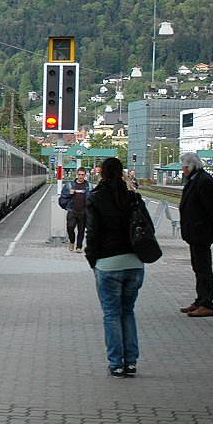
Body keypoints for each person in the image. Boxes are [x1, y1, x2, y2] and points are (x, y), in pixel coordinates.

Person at [84, 157, 144, 378]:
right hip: (135, 264)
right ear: (122, 174)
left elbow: (92, 233)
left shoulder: (96, 198)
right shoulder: (133, 197)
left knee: (111, 315)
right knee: (127, 312)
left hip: (108, 265)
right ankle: (131, 363)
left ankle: (116, 364)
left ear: (102, 174)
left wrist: (92, 260)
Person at [178, 152, 213, 318]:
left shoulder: (204, 181)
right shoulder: (195, 179)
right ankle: (200, 300)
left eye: (183, 167)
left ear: (190, 167)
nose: (183, 170)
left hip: (201, 232)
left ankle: (207, 304)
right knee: (197, 266)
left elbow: (212, 208)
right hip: (194, 232)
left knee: (203, 268)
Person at [60, 168, 90, 252]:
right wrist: (69, 193)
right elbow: (63, 194)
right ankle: (72, 241)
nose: (81, 176)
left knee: (81, 230)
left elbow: (92, 197)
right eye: (79, 174)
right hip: (72, 210)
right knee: (70, 227)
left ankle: (79, 247)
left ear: (85, 175)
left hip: (83, 212)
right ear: (77, 174)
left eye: (82, 175)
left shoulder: (89, 185)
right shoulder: (70, 184)